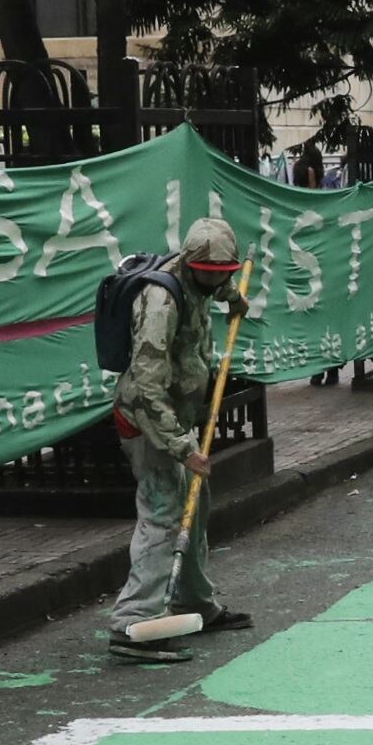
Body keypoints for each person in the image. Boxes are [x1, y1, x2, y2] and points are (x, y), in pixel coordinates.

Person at [105, 217, 253, 665]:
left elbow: (217, 284)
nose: (218, 280)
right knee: (165, 515)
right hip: (150, 424)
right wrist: (182, 447)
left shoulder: (203, 280)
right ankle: (133, 624)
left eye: (225, 274)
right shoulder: (160, 303)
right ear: (191, 264)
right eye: (213, 274)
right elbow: (147, 390)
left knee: (196, 509)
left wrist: (233, 296)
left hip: (180, 417)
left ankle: (194, 603)